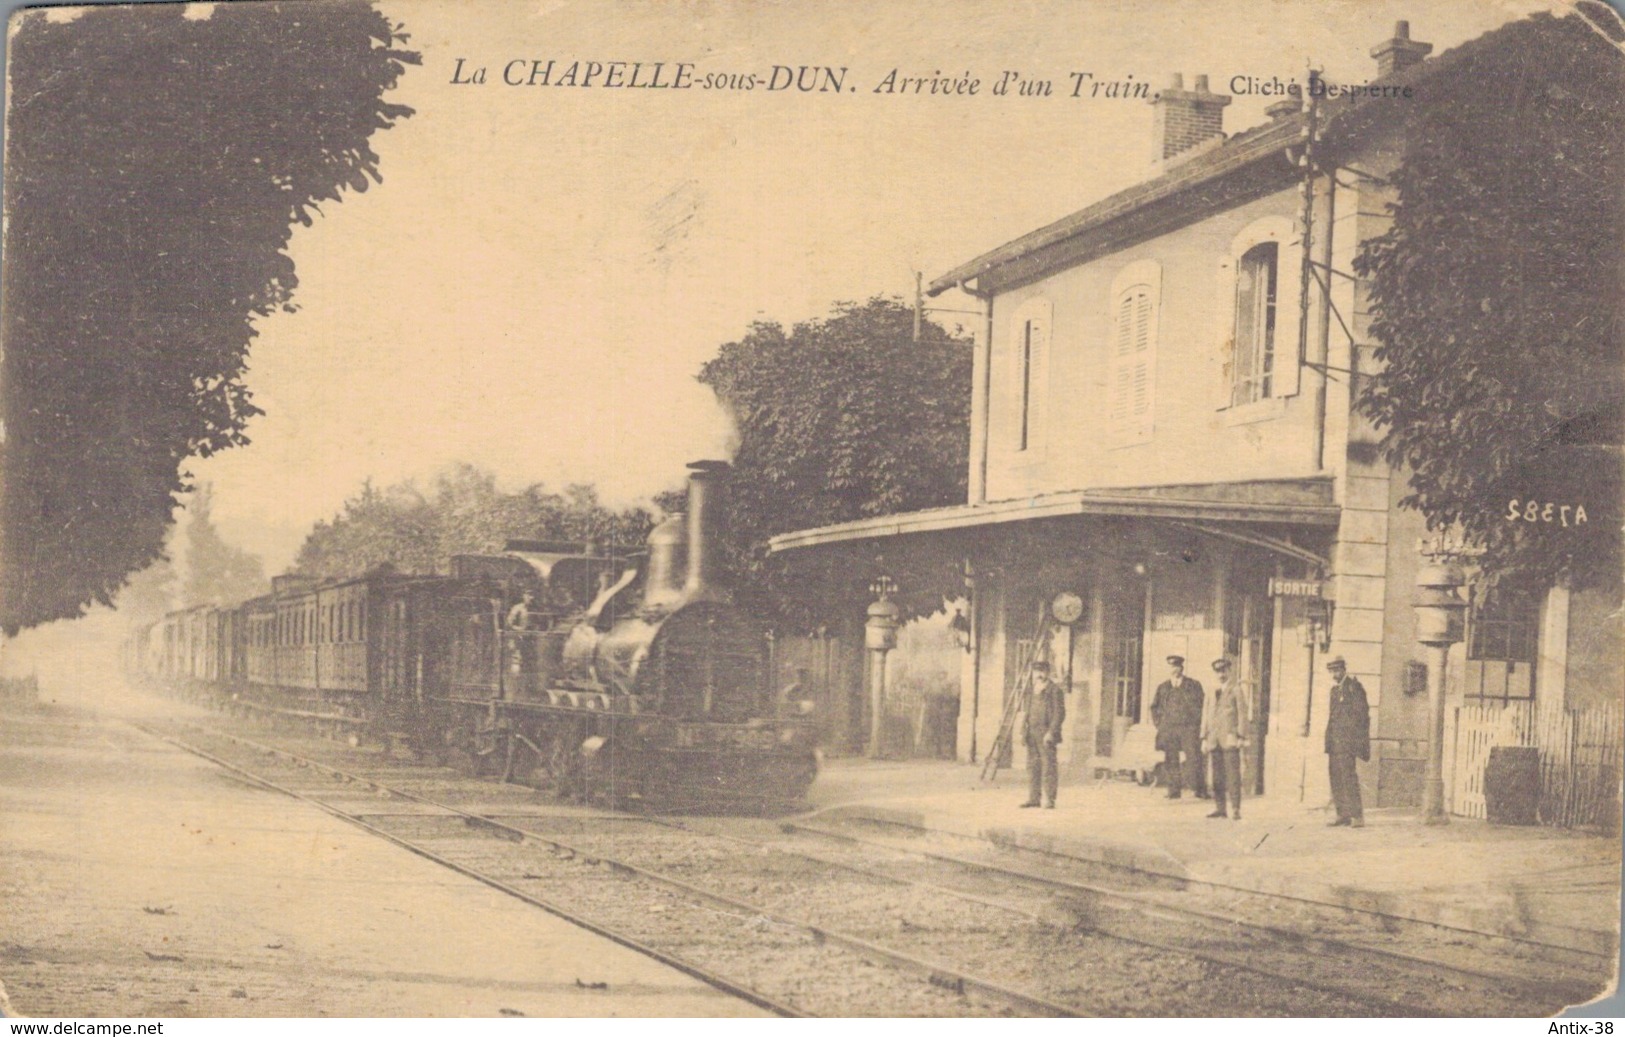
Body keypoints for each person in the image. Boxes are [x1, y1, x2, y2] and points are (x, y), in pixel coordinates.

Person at [1149, 655, 1206, 799]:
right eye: (1172, 667)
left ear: (1182, 668)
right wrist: (1160, 724)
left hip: (1188, 729)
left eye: (1177, 667)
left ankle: (1200, 789)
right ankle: (1174, 791)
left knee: (1194, 758)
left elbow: (1201, 706)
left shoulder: (1193, 685)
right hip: (1169, 730)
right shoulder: (1163, 687)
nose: (1175, 670)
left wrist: (1195, 725)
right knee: (1171, 759)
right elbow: (1154, 707)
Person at [1324, 656, 1371, 828]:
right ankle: (1342, 814)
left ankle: (1357, 816)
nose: (1334, 673)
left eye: (1337, 670)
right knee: (1336, 777)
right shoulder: (1335, 691)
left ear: (1344, 669)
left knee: (1348, 777)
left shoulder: (1354, 688)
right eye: (1332, 671)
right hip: (1334, 743)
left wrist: (1355, 741)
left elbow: (1362, 716)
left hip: (1347, 743)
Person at [1201, 657, 1250, 821]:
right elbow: (1205, 715)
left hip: (1230, 738)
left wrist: (1241, 735)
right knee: (1217, 776)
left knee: (1232, 775)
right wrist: (1204, 737)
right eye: (1218, 671)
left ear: (1229, 671)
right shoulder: (1210, 690)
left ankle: (1236, 809)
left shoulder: (1236, 690)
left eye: (1224, 671)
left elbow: (1242, 714)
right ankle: (1220, 808)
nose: (1221, 674)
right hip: (1214, 739)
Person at [1020, 659, 1066, 809]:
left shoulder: (1054, 690)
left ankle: (1050, 799)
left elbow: (1059, 713)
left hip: (1046, 734)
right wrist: (1023, 731)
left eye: (1042, 671)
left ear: (1048, 672)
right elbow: (1027, 712)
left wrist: (1051, 732)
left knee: (1048, 767)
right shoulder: (1032, 689)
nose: (1039, 675)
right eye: (1037, 671)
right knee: (1033, 766)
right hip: (1032, 733)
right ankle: (1034, 798)